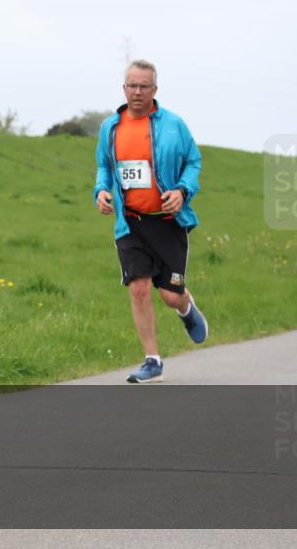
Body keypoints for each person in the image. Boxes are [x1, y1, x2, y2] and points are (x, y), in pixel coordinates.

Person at [93, 59, 209, 383]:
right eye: (132, 85)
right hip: (130, 223)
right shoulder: (110, 127)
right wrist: (101, 191)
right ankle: (152, 359)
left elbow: (194, 162)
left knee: (169, 295)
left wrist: (183, 192)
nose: (138, 92)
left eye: (144, 86)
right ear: (124, 88)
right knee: (139, 287)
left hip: (168, 221)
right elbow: (104, 166)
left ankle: (186, 308)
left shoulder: (174, 125)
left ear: (155, 90)